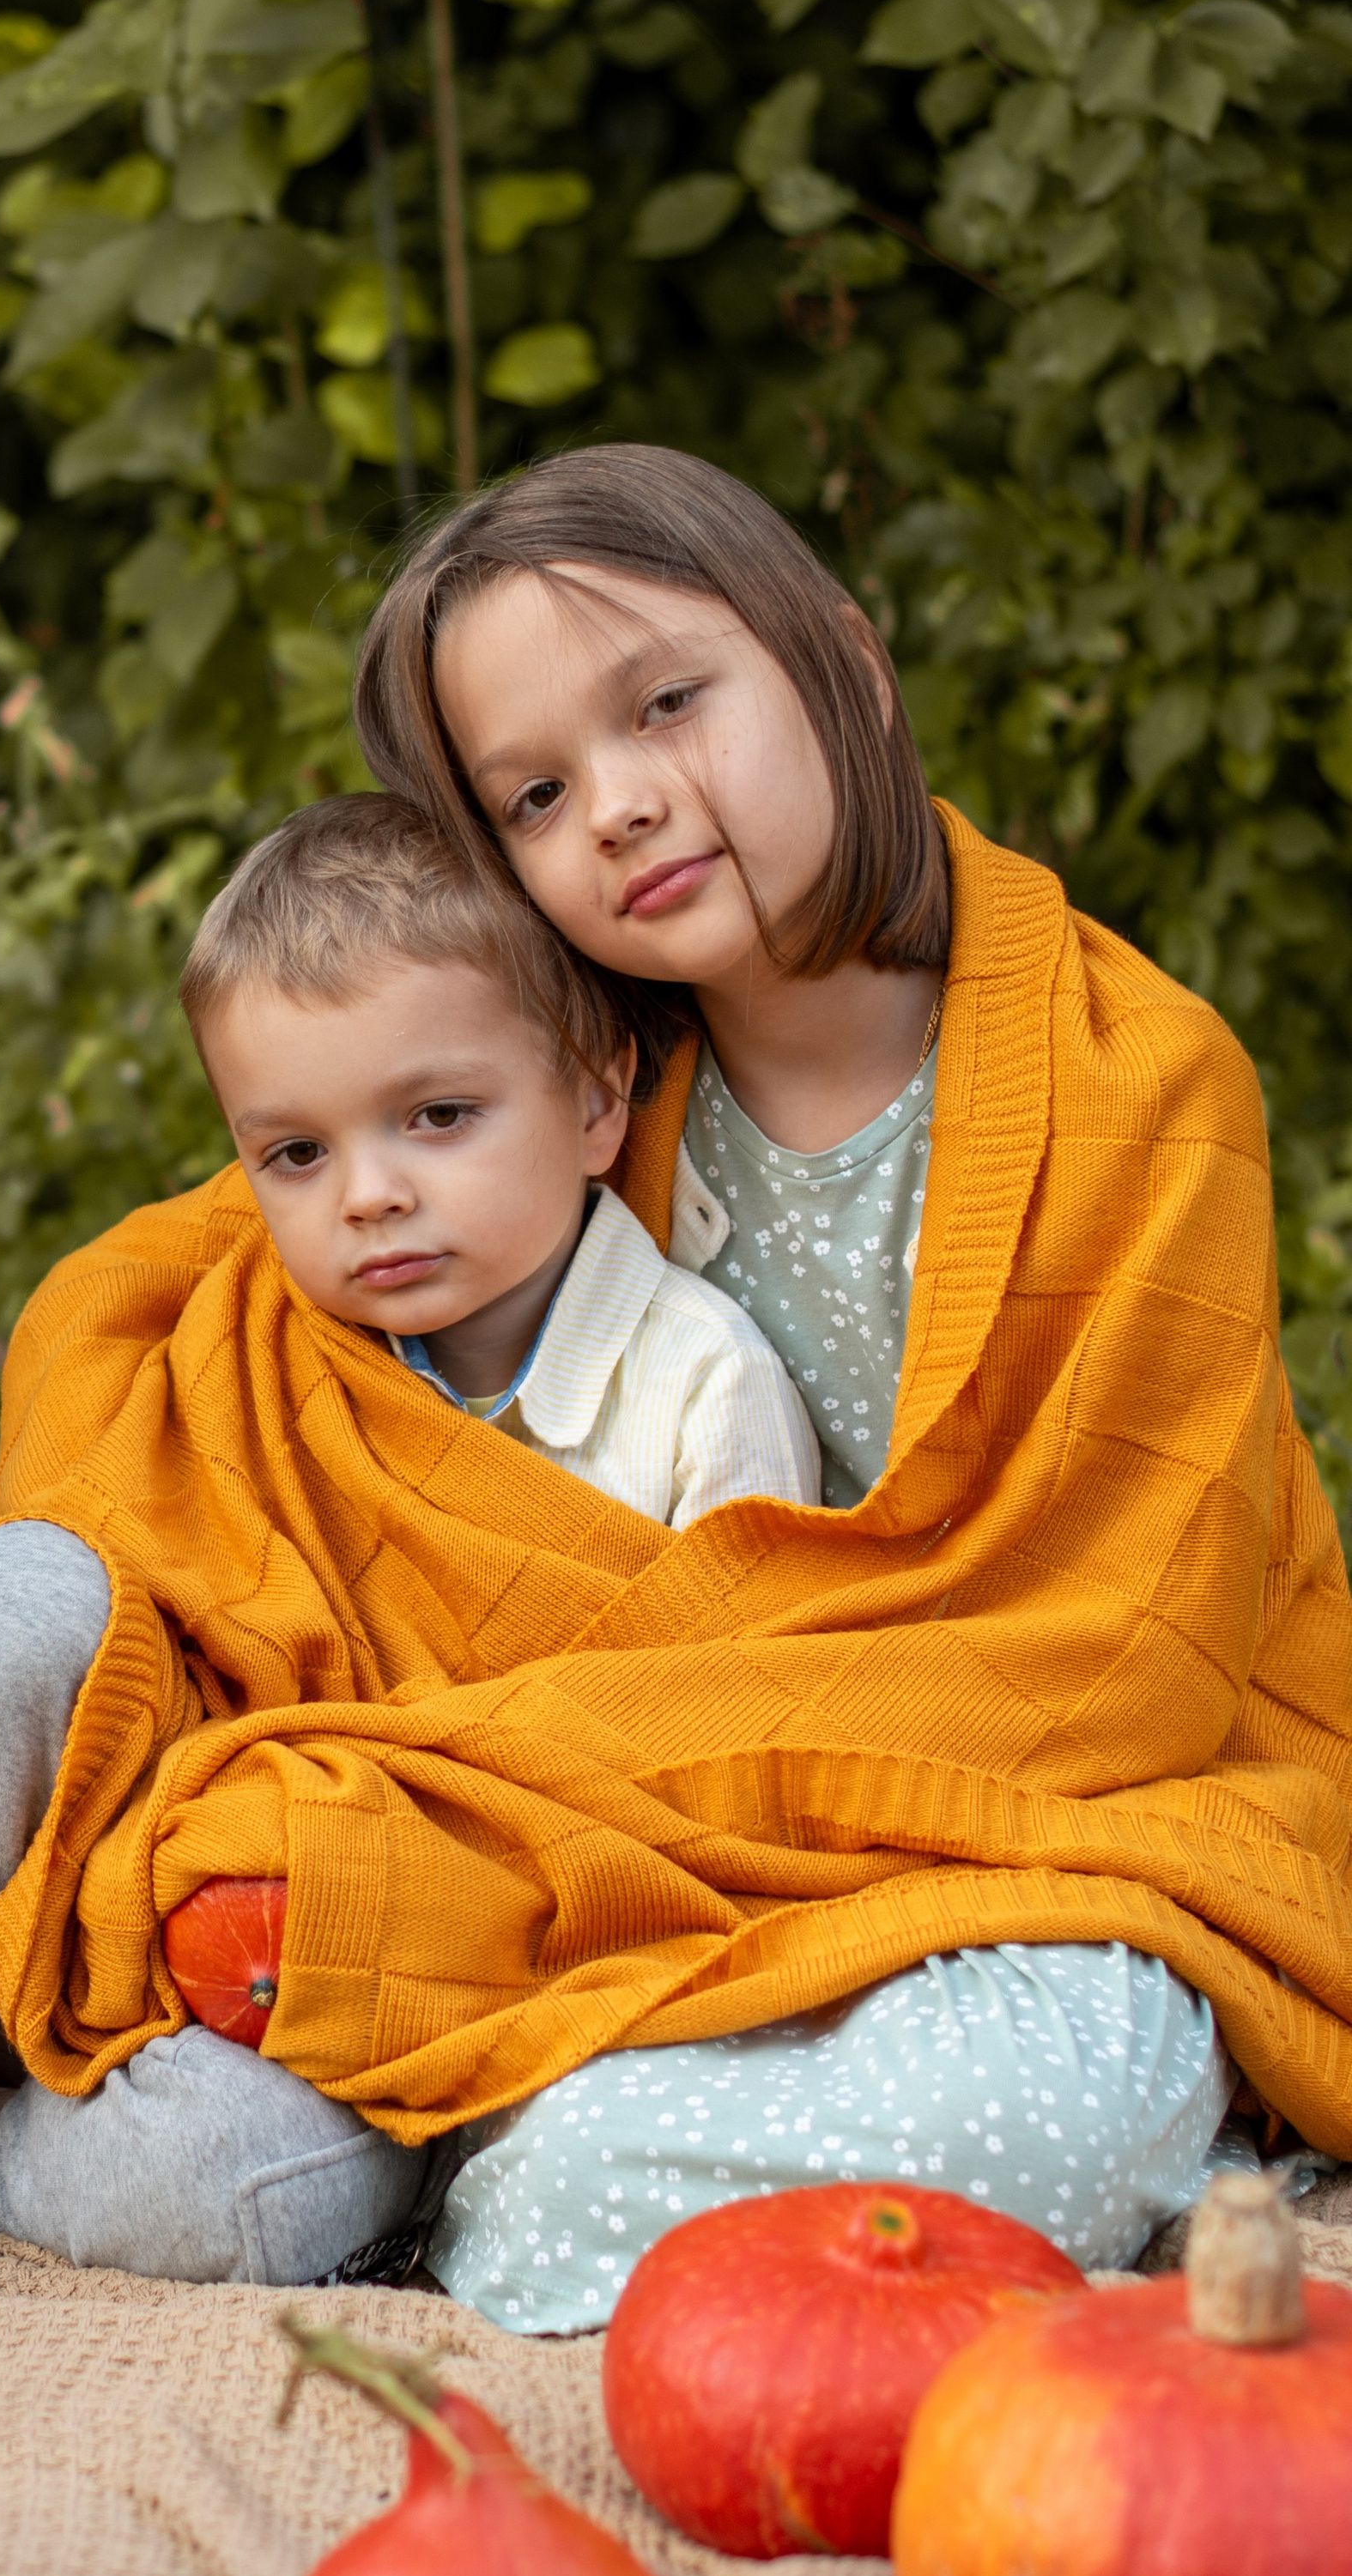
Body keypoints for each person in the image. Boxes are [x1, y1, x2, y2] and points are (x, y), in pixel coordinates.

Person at [349, 440, 1347, 2326]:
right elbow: (243, 1288)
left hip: (1078, 1839)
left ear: (841, 664)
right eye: (539, 794)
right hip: (691, 1838)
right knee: (296, 1887)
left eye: (667, 705)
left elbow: (1131, 1648)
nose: (624, 807)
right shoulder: (577, 1109)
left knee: (995, 2120)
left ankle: (514, 2146)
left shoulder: (1142, 1085)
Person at [0, 791, 820, 2267]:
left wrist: (337, 1863)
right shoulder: (242, 1345)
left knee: (249, 2196)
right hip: (112, 1878)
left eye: (438, 1118)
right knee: (5, 1595)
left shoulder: (702, 1392)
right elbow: (122, 1639)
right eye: (295, 1155)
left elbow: (707, 1776)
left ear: (595, 1099)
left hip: (413, 1993)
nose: (372, 1196)